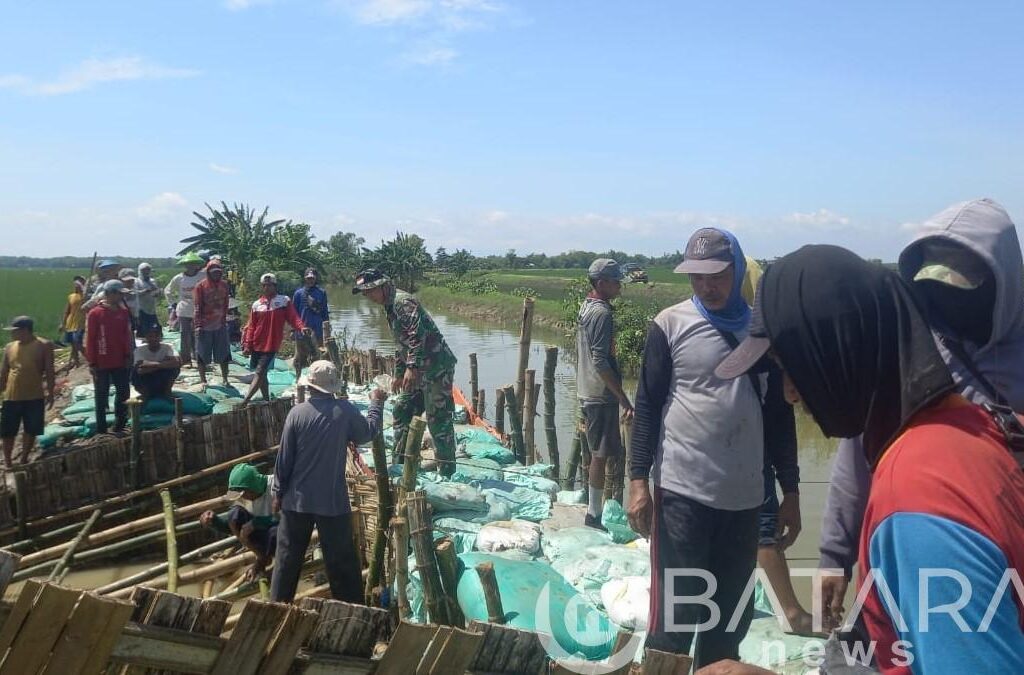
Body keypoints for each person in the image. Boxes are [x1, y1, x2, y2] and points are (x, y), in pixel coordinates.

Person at [716, 243, 1024, 674]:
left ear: (836, 351)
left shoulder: (919, 498)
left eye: (792, 366)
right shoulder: (965, 427)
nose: (788, 392)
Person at [817, 198, 1024, 633]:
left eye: (961, 285)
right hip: (905, 552)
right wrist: (834, 556)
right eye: (932, 284)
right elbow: (855, 461)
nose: (945, 299)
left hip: (1003, 559)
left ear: (1000, 283)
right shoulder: (903, 353)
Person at [627, 228, 799, 668]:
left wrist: (791, 492)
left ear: (736, 270)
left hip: (744, 499)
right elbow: (647, 406)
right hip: (683, 493)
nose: (707, 285)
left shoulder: (763, 332)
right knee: (676, 616)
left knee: (728, 622)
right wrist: (637, 482)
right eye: (697, 277)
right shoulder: (670, 325)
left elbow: (780, 418)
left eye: (717, 275)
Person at [270, 360, 386, 603]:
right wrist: (376, 403)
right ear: (333, 388)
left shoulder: (297, 413)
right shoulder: (344, 411)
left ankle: (277, 609)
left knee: (287, 562)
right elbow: (368, 433)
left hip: (296, 501)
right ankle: (351, 612)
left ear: (310, 386)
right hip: (331, 503)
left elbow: (284, 460)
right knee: (342, 564)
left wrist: (278, 494)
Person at [352, 268, 458, 476]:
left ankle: (447, 472)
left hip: (436, 368)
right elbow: (401, 342)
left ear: (383, 286)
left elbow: (417, 336)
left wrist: (412, 367)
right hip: (417, 369)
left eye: (370, 291)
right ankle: (402, 464)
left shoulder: (402, 301)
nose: (368, 296)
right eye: (365, 293)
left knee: (438, 420)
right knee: (402, 409)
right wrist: (400, 373)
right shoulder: (389, 306)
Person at [576, 258, 634, 529]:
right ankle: (594, 515)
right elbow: (600, 360)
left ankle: (594, 510)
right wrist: (622, 396)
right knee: (599, 454)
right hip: (599, 394)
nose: (619, 285)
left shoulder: (587, 306)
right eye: (614, 280)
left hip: (588, 389)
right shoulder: (602, 314)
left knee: (599, 452)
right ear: (601, 284)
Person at [199, 463, 278, 581]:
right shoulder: (245, 499)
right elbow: (234, 526)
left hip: (286, 536)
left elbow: (291, 518)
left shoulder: (276, 486)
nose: (243, 498)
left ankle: (279, 565)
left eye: (244, 494)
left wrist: (257, 522)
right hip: (265, 539)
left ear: (251, 488)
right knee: (234, 514)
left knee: (274, 532)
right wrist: (214, 521)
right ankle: (262, 558)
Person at [241, 273, 306, 406]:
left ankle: (245, 401)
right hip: (257, 343)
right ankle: (266, 399)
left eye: (270, 285)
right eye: (264, 285)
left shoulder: (283, 301)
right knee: (262, 374)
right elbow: (252, 326)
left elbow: (293, 317)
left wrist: (301, 327)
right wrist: (248, 345)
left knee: (259, 372)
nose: (267, 288)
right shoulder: (257, 305)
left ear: (275, 286)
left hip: (271, 344)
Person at [0, 317, 55, 466]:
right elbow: (4, 371)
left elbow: (50, 370)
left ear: (25, 330)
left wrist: (50, 391)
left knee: (31, 429)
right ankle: (8, 461)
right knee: (7, 431)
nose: (12, 335)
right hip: (11, 396)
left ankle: (24, 458)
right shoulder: (10, 347)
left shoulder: (43, 345)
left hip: (34, 395)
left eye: (14, 331)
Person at [85, 280, 134, 435]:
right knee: (101, 395)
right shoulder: (95, 313)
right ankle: (101, 429)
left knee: (123, 392)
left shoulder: (123, 312)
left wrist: (128, 354)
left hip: (120, 359)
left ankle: (119, 424)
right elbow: (91, 339)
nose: (121, 297)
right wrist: (92, 362)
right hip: (101, 360)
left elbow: (126, 335)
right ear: (111, 293)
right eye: (119, 293)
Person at [193, 260, 231, 386]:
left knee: (224, 353)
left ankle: (225, 379)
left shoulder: (224, 285)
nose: (216, 275)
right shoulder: (201, 286)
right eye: (214, 272)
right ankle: (203, 380)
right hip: (205, 325)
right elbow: (197, 306)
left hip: (220, 324)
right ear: (208, 272)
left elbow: (226, 303)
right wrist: (198, 325)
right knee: (202, 354)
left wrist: (224, 319)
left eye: (219, 272)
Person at [165, 253, 207, 367]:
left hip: (198, 309)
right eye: (188, 264)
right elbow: (168, 291)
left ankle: (198, 357)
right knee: (185, 334)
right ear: (185, 265)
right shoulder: (179, 278)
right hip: (183, 310)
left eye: (193, 264)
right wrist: (173, 303)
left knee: (197, 335)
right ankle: (186, 359)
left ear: (197, 265)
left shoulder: (202, 276)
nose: (191, 266)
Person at [293, 268, 330, 380]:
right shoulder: (298, 293)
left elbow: (324, 311)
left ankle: (315, 380)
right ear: (305, 278)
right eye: (308, 278)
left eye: (312, 278)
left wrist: (327, 328)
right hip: (302, 330)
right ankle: (298, 379)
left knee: (317, 357)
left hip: (317, 330)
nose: (310, 280)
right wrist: (293, 329)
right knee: (299, 358)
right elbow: (294, 313)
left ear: (316, 278)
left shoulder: (321, 293)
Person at [131, 324, 181, 402]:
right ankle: (145, 393)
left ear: (161, 337)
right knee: (134, 372)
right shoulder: (139, 350)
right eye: (150, 336)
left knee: (174, 369)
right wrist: (163, 364)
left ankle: (167, 392)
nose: (153, 339)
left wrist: (152, 365)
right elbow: (140, 370)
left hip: (161, 376)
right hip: (146, 378)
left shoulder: (168, 347)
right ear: (146, 338)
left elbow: (176, 363)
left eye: (156, 336)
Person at [60, 276, 87, 369]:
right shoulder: (71, 296)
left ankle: (89, 358)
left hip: (80, 323)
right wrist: (62, 323)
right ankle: (77, 363)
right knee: (73, 344)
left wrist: (83, 289)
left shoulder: (85, 296)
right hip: (70, 322)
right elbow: (67, 311)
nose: (77, 286)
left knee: (77, 342)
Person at [134, 262, 164, 336]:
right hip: (141, 309)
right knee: (143, 330)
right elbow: (135, 293)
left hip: (152, 309)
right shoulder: (136, 281)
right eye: (144, 270)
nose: (146, 272)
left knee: (156, 329)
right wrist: (146, 291)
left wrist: (158, 292)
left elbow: (156, 294)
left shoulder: (152, 281)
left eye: (148, 270)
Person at [118, 270, 140, 334]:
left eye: (132, 280)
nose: (130, 282)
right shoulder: (117, 292)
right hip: (121, 319)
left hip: (132, 318)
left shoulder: (135, 289)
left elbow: (136, 305)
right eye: (127, 281)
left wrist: (136, 317)